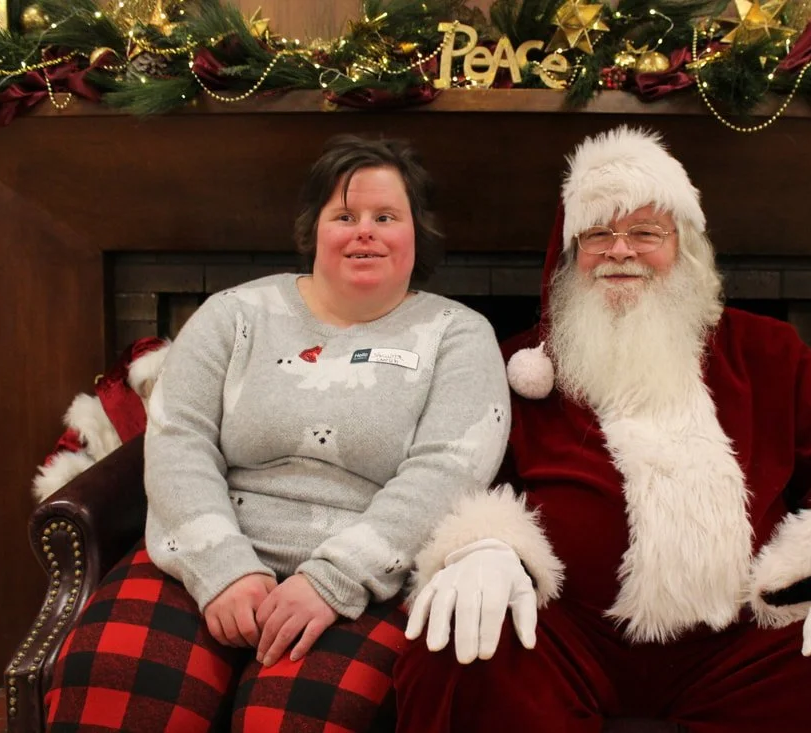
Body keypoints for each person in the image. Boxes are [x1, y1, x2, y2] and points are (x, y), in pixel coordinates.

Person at [396, 125, 811, 732]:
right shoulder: (521, 365)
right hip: (568, 635)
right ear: (569, 255)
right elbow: (470, 472)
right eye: (598, 234)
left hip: (743, 638)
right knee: (455, 649)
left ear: (682, 247)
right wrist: (484, 547)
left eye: (644, 233)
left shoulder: (766, 350)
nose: (620, 250)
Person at [44, 134, 510, 732]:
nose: (364, 231)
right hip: (207, 555)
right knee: (111, 685)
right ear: (314, 229)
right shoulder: (235, 314)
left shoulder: (459, 336)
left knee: (295, 718)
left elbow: (447, 472)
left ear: (416, 233)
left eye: (385, 217)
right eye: (344, 216)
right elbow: (177, 437)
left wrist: (331, 581)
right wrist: (224, 570)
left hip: (363, 580)